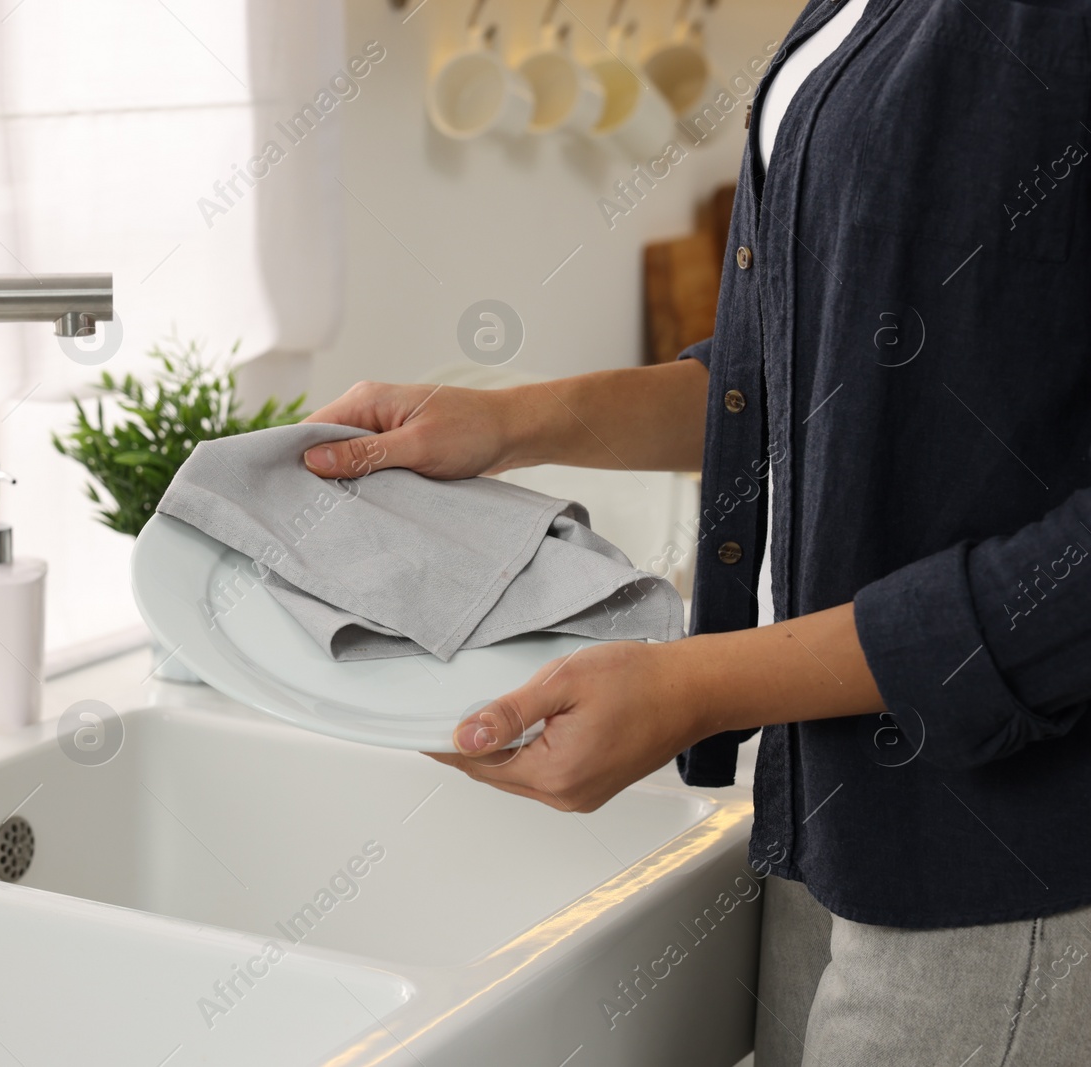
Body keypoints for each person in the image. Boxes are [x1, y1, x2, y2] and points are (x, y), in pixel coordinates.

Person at [299, 0, 1091, 1062]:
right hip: (837, 809)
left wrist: (701, 685)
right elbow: (817, 376)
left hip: (1009, 866)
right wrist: (508, 422)